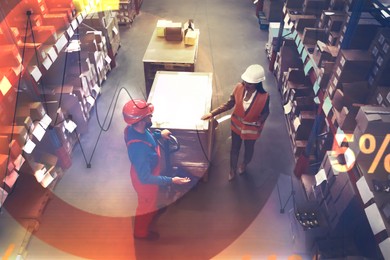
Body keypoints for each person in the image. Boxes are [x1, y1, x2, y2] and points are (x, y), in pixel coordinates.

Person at [123, 99, 190, 240]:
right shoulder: (139, 150)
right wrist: (171, 180)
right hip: (145, 182)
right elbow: (145, 178)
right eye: (149, 116)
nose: (151, 117)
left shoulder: (133, 129)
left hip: (145, 172)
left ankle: (152, 210)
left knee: (150, 203)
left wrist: (159, 135)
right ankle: (140, 233)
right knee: (145, 207)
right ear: (141, 120)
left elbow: (147, 137)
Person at [201, 64, 270, 181]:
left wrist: (260, 121)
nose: (246, 85)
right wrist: (212, 113)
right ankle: (232, 170)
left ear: (258, 84)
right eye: (245, 81)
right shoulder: (239, 88)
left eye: (250, 83)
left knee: (249, 150)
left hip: (251, 131)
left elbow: (266, 112)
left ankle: (244, 164)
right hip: (236, 127)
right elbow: (229, 104)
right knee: (234, 149)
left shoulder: (264, 97)